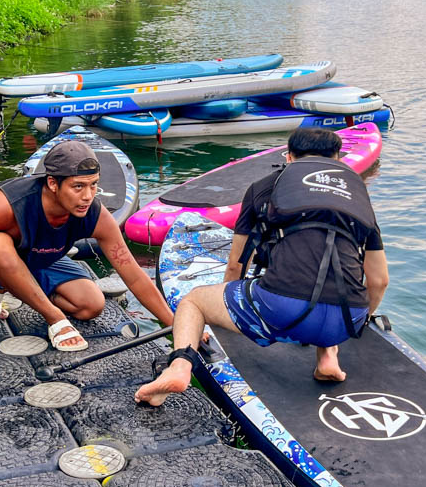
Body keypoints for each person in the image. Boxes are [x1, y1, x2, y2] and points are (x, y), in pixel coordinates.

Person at [135, 127, 389, 406]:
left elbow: (235, 266)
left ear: (289, 158)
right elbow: (379, 281)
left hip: (281, 309)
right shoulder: (355, 196)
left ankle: (180, 367)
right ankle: (328, 355)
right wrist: (358, 321)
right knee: (328, 276)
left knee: (193, 302)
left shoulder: (264, 188)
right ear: (338, 160)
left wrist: (223, 309)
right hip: (347, 318)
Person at [0, 140, 174, 359]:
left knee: (91, 304)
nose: (88, 196)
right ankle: (49, 315)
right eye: (78, 187)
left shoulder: (94, 213)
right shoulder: (9, 204)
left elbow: (132, 274)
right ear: (53, 183)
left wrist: (174, 324)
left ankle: (12, 287)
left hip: (35, 258)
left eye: (94, 185)